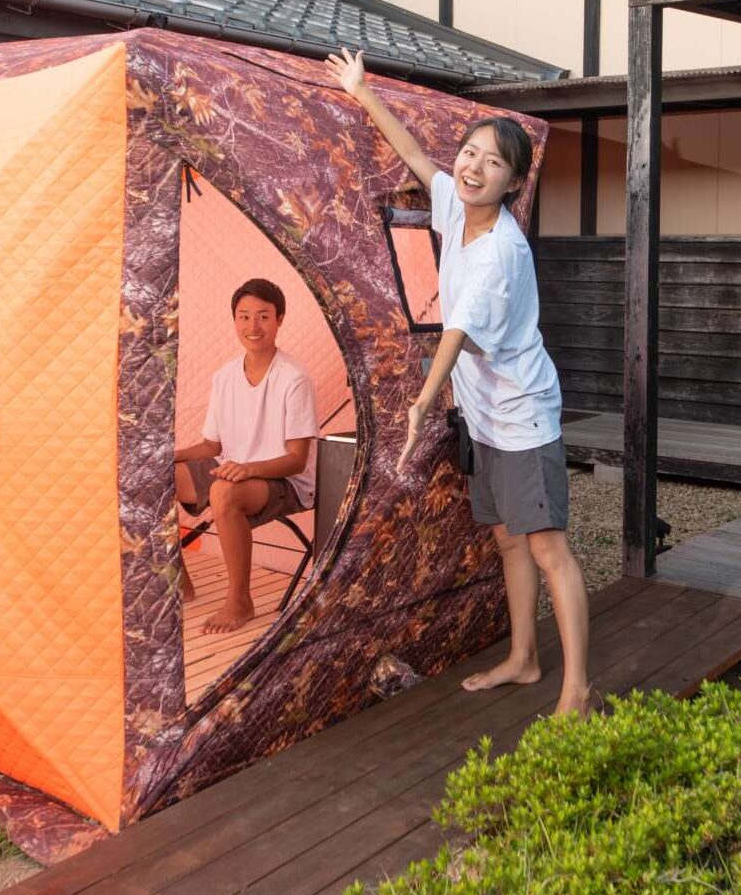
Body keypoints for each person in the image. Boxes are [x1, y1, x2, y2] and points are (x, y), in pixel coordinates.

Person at [327, 47, 591, 717]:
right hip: (487, 413)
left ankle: (578, 688)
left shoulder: (501, 249)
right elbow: (418, 158)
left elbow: (455, 333)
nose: (472, 166)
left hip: (523, 412)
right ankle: (525, 657)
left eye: (492, 161)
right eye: (470, 152)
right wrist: (362, 91)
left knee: (548, 546)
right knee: (506, 538)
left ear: (513, 183)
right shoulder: (456, 207)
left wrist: (420, 402)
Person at [174, 278, 320, 634]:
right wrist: (167, 455)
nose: (253, 327)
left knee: (223, 491)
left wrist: (248, 468)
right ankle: (177, 580)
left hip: (283, 480)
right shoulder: (224, 376)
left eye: (263, 317)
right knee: (152, 475)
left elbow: (297, 460)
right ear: (234, 320)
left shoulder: (293, 378)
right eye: (244, 317)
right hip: (234, 471)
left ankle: (240, 600)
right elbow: (212, 446)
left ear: (279, 319)